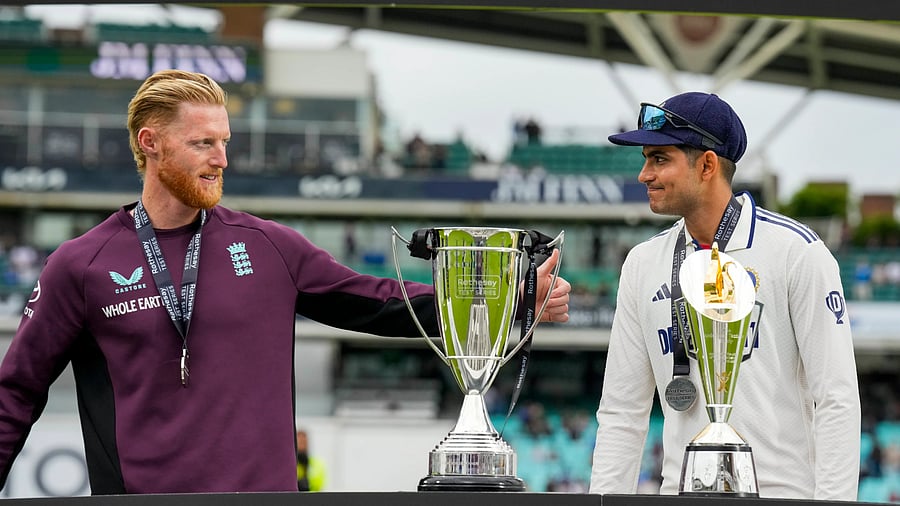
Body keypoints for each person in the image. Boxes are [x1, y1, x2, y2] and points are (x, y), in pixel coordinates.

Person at [0, 69, 571, 495]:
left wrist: (514, 298)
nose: (221, 158)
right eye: (203, 143)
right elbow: (16, 391)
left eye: (225, 141)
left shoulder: (270, 246)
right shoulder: (82, 264)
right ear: (150, 143)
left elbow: (378, 303)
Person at [589, 92, 860, 500]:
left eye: (660, 159)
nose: (645, 174)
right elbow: (622, 412)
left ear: (708, 165)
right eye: (645, 159)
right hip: (680, 493)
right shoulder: (642, 264)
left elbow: (836, 398)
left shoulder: (797, 252)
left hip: (780, 495)